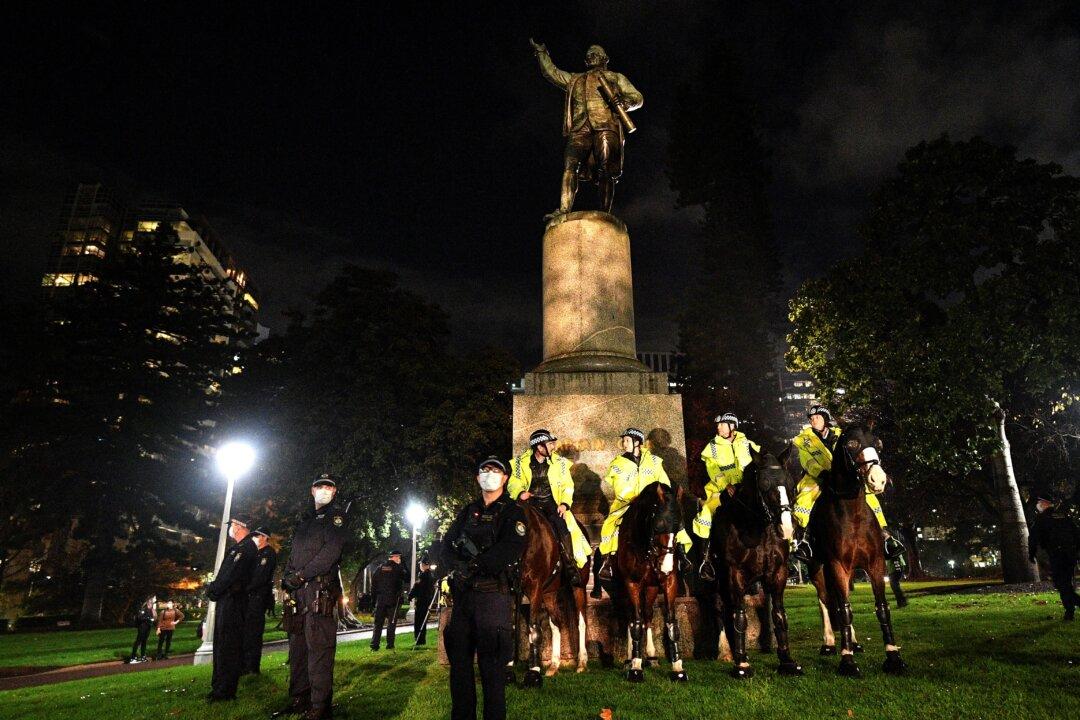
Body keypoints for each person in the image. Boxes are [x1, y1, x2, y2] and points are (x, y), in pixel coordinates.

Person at [441, 457, 528, 720]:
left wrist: (477, 565)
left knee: (492, 677)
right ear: (478, 477)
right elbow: (447, 545)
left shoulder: (513, 512)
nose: (489, 474)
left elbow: (510, 548)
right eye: (484, 470)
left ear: (505, 478)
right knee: (460, 674)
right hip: (464, 598)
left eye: (496, 470)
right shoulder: (468, 511)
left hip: (493, 598)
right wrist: (458, 567)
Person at [529, 40, 643, 217]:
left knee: (606, 169)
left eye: (595, 54)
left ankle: (605, 213)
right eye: (589, 55)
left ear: (605, 59)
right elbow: (552, 73)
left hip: (606, 125)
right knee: (569, 165)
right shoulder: (575, 79)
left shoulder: (615, 77)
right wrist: (542, 53)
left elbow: (637, 97)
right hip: (580, 127)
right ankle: (564, 210)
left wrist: (625, 102)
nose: (591, 57)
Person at [274, 474, 348, 720]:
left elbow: (331, 553)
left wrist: (302, 576)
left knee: (319, 650)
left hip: (319, 591)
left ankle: (320, 707)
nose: (324, 490)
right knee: (297, 650)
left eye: (329, 487)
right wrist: (287, 577)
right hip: (298, 593)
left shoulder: (336, 518)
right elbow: (293, 553)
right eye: (320, 486)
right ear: (312, 490)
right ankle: (299, 699)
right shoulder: (305, 520)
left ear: (334, 492)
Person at [790, 405, 903, 562]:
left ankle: (885, 535)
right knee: (806, 497)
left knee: (868, 494)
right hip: (818, 476)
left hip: (843, 475)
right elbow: (806, 461)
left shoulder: (842, 434)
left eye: (817, 417)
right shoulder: (803, 440)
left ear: (825, 419)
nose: (813, 420)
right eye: (811, 419)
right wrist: (821, 473)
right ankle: (805, 539)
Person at [597, 428, 692, 582]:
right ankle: (608, 560)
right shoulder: (617, 463)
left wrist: (663, 498)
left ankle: (682, 555)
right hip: (627, 503)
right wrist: (634, 497)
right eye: (624, 440)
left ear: (637, 443)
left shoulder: (654, 461)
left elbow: (664, 483)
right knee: (610, 525)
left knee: (673, 522)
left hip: (653, 504)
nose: (624, 443)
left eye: (627, 440)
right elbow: (619, 486)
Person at [508, 429, 590, 585]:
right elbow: (514, 482)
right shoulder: (520, 463)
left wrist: (565, 504)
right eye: (550, 444)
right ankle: (510, 567)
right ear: (539, 447)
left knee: (561, 526)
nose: (553, 446)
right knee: (514, 529)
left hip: (551, 504)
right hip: (529, 505)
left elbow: (567, 485)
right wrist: (519, 492)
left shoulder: (559, 463)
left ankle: (569, 565)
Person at [692, 413, 761, 582]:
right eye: (718, 425)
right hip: (720, 490)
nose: (718, 428)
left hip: (746, 489)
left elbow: (760, 461)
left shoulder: (747, 443)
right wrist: (726, 485)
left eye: (722, 424)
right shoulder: (712, 447)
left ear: (732, 426)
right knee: (706, 514)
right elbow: (713, 470)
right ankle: (705, 560)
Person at [205, 515, 258, 702]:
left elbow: (232, 576)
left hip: (234, 602)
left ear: (240, 526)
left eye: (233, 525)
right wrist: (214, 588)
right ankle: (218, 686)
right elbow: (224, 574)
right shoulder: (237, 548)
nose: (231, 528)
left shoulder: (247, 548)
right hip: (226, 600)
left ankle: (225, 691)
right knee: (221, 646)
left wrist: (214, 589)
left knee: (228, 647)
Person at [1029, 494, 1080, 621]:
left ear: (1046, 504)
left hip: (1057, 556)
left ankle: (1071, 608)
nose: (1038, 505)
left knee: (1061, 584)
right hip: (1070, 555)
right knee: (1066, 584)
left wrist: (1031, 554)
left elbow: (1033, 538)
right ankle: (1069, 612)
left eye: (1040, 502)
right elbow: (1077, 534)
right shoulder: (1064, 517)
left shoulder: (1042, 519)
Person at [242, 527, 277, 674]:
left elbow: (260, 577)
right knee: (246, 632)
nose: (254, 538)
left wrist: (246, 588)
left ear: (264, 537)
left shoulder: (268, 554)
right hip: (250, 597)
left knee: (254, 633)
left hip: (258, 597)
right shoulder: (257, 553)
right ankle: (245, 665)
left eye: (257, 536)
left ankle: (252, 667)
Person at [370, 550, 407, 651]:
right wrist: (402, 564)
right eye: (399, 557)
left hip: (380, 600)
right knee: (391, 624)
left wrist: (373, 601)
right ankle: (390, 644)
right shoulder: (398, 569)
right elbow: (406, 577)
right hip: (393, 601)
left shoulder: (379, 569)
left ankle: (374, 645)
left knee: (378, 624)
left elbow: (373, 586)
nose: (399, 559)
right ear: (394, 557)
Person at [408, 556, 437, 645]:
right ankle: (421, 640)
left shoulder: (423, 575)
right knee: (423, 621)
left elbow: (417, 587)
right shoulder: (431, 575)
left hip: (422, 601)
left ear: (424, 565)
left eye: (421, 564)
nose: (420, 566)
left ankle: (419, 640)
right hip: (427, 600)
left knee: (419, 621)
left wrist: (411, 595)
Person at [128, 595, 156, 663]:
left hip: (148, 627)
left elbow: (154, 618)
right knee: (138, 642)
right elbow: (140, 617)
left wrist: (152, 617)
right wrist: (148, 619)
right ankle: (133, 657)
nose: (155, 600)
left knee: (144, 642)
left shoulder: (151, 609)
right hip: (142, 627)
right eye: (154, 599)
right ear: (149, 601)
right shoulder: (144, 608)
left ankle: (143, 657)